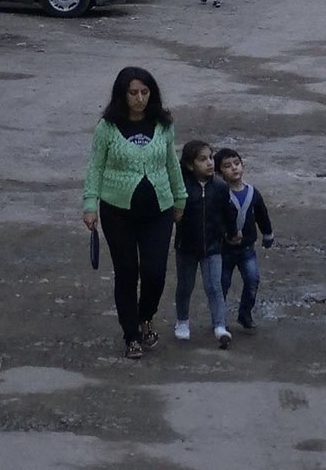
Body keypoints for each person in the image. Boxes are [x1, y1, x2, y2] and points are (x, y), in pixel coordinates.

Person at [84, 66, 185, 359]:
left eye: (144, 92)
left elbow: (172, 163)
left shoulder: (163, 125)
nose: (139, 98)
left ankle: (146, 316)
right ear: (122, 95)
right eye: (133, 93)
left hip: (159, 211)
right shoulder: (107, 128)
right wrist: (90, 204)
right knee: (126, 272)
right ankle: (131, 335)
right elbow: (95, 167)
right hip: (117, 212)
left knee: (155, 272)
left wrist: (180, 198)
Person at [209, 145, 273, 336]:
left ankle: (245, 314)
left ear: (243, 166)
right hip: (223, 250)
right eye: (227, 166)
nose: (234, 168)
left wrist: (268, 234)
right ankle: (219, 320)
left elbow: (262, 214)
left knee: (252, 280)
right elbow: (214, 220)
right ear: (219, 173)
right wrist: (223, 235)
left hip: (246, 249)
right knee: (221, 285)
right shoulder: (219, 195)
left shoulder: (253, 193)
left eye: (236, 163)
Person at [173, 136, 221, 343]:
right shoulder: (182, 188)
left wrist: (230, 233)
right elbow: (174, 215)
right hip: (186, 247)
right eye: (203, 159)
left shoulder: (219, 187)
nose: (210, 162)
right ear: (189, 165)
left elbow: (227, 213)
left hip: (213, 246)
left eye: (211, 157)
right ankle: (182, 321)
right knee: (185, 287)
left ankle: (220, 325)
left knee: (214, 287)